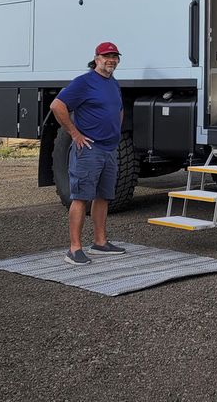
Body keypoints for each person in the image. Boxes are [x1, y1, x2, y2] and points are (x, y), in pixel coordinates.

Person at [50, 41, 126, 265]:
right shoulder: (84, 82)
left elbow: (118, 109)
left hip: (109, 149)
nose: (111, 60)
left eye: (115, 57)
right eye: (107, 56)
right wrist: (74, 134)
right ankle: (74, 249)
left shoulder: (113, 83)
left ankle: (100, 242)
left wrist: (116, 132)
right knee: (81, 197)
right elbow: (57, 105)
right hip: (89, 150)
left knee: (104, 196)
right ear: (96, 58)